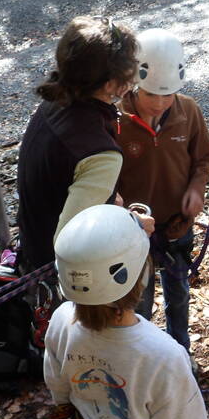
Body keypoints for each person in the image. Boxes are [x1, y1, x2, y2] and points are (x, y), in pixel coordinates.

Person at [43, 204, 209, 419]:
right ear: (142, 276)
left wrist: (65, 405)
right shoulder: (162, 354)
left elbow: (57, 381)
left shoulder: (60, 321)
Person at [16, 15, 153, 275]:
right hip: (67, 283)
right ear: (111, 83)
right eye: (130, 70)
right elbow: (72, 244)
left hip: (32, 249)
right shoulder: (101, 155)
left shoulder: (55, 102)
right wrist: (133, 224)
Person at [115, 28, 209, 364]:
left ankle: (179, 353)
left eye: (167, 95)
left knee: (178, 292)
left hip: (175, 225)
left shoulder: (189, 112)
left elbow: (202, 157)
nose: (159, 104)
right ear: (134, 84)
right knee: (138, 299)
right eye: (151, 95)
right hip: (133, 228)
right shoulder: (116, 121)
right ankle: (143, 358)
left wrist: (196, 188)